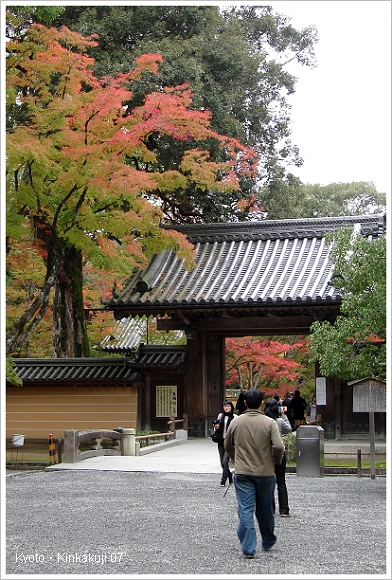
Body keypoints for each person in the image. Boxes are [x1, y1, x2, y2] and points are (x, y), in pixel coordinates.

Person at [224, 389, 284, 558]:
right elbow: (279, 446)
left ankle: (248, 546)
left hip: (243, 472)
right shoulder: (269, 422)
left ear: (244, 403)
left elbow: (227, 444)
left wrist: (236, 458)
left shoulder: (236, 422)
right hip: (265, 472)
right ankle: (268, 540)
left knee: (245, 508)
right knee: (265, 508)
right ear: (262, 403)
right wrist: (276, 461)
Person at [264, 398, 292, 517]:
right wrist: (284, 416)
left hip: (267, 454)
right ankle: (284, 509)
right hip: (280, 452)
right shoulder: (279, 421)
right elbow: (289, 429)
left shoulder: (264, 421)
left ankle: (270, 507)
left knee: (269, 481)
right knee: (281, 482)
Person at [213, 400, 236, 487]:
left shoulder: (235, 417)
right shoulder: (221, 416)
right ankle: (230, 477)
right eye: (225, 406)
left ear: (231, 407)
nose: (226, 408)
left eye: (228, 406)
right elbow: (216, 428)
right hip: (221, 441)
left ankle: (223, 480)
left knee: (225, 461)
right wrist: (216, 427)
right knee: (222, 462)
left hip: (230, 442)